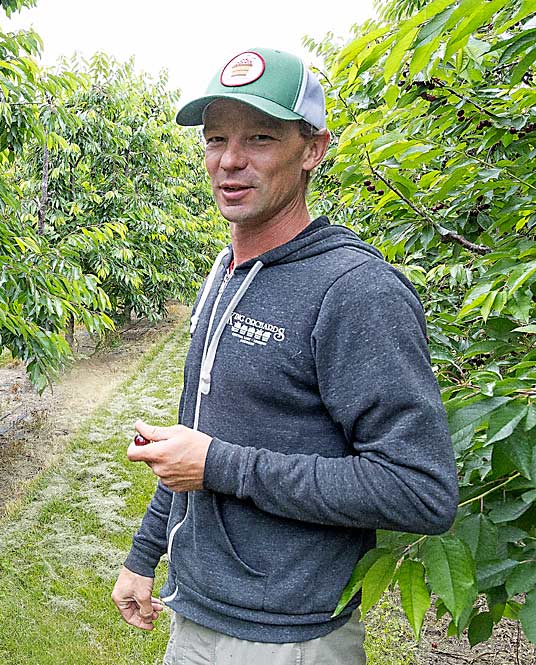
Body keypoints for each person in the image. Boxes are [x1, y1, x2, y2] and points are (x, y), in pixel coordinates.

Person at [111, 47, 459, 664]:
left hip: (290, 638)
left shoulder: (356, 293)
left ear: (312, 150)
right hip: (194, 612)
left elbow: (420, 490)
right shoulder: (225, 271)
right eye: (216, 138)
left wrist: (221, 464)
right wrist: (145, 555)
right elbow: (198, 439)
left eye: (261, 138)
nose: (230, 160)